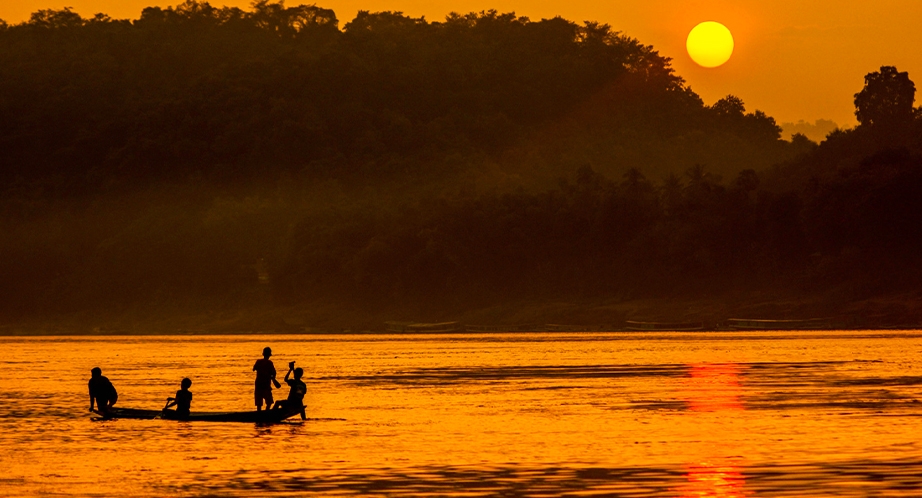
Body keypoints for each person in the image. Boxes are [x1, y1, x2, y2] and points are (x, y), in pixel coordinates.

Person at [253, 347, 281, 411]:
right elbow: (274, 373)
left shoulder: (258, 362)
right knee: (269, 402)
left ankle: (261, 414)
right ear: (269, 355)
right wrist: (272, 377)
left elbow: (254, 369)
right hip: (265, 386)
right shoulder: (269, 363)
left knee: (259, 404)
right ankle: (267, 412)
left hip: (259, 385)